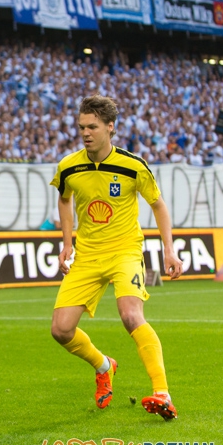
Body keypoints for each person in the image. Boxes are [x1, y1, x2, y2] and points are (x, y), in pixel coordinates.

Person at [49, 95, 183, 421]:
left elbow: (158, 205)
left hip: (125, 251)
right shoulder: (69, 166)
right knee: (61, 330)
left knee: (130, 314)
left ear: (110, 127)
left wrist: (169, 248)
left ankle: (162, 393)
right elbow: (64, 200)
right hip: (89, 255)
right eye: (81, 127)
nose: (85, 133)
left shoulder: (132, 165)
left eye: (92, 126)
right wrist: (67, 243)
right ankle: (104, 365)